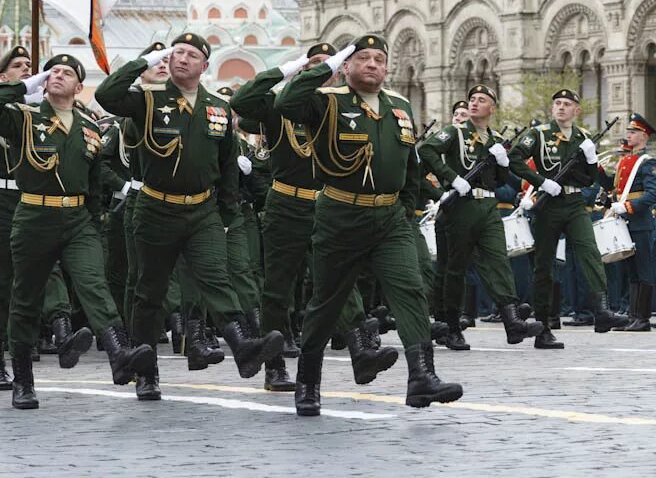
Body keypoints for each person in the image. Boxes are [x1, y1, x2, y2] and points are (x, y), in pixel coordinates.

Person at [275, 37, 462, 414]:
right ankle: (308, 382)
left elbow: (410, 164)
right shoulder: (327, 101)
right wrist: (326, 66)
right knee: (327, 301)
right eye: (363, 58)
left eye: (379, 59)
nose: (373, 64)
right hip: (341, 213)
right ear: (346, 66)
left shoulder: (400, 106)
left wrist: (406, 208)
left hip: (390, 216)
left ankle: (421, 377)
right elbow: (286, 102)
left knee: (409, 289)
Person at [96, 33, 283, 401]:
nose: (182, 59)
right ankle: (146, 372)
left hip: (202, 209)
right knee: (148, 291)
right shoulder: (147, 100)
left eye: (191, 55)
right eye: (176, 53)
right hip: (155, 207)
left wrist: (227, 212)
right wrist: (146, 60)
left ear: (205, 66)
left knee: (216, 278)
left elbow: (228, 164)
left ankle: (242, 345)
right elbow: (107, 95)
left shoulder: (216, 107)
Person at [0, 53, 155, 409]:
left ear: (78, 87)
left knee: (94, 284)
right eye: (52, 71)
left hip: (76, 220)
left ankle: (119, 354)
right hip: (33, 216)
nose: (57, 76)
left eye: (66, 73)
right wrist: (26, 84)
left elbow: (92, 181)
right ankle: (23, 380)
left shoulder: (89, 128)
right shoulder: (25, 117)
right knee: (25, 300)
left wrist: (92, 220)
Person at [232, 43, 383, 392]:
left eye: (330, 66)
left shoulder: (346, 106)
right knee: (277, 288)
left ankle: (361, 349)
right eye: (315, 65)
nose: (323, 72)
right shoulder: (278, 105)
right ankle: (274, 366)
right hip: (286, 203)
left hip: (329, 205)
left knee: (339, 279)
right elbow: (242, 104)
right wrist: (288, 68)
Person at [0, 46, 72, 392]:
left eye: (30, 66)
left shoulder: (46, 112)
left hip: (40, 198)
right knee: (2, 284)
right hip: (4, 197)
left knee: (49, 272)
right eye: (17, 67)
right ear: (3, 77)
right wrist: (19, 90)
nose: (29, 71)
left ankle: (60, 333)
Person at [417, 85, 543, 349]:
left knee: (497, 259)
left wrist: (503, 163)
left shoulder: (495, 140)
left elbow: (498, 181)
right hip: (460, 206)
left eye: (481, 100)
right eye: (472, 99)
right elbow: (427, 151)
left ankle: (512, 321)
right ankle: (451, 326)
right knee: (456, 268)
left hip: (488, 207)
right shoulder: (454, 132)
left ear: (492, 109)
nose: (474, 103)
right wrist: (451, 179)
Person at [508, 89, 630, 348]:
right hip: (548, 204)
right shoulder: (539, 134)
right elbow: (515, 160)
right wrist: (541, 182)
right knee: (543, 266)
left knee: (589, 251)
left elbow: (588, 178)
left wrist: (591, 158)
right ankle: (543, 327)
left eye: (567, 104)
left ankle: (602, 311)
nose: (561, 108)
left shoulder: (583, 137)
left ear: (577, 110)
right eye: (558, 104)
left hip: (575, 203)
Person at [604, 114, 655, 331]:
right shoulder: (626, 161)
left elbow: (652, 194)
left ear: (644, 136)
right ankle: (633, 317)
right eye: (628, 131)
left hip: (640, 222)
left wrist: (627, 207)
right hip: (624, 222)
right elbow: (614, 188)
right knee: (631, 270)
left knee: (644, 270)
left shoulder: (648, 162)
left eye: (633, 132)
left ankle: (642, 318)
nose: (628, 135)